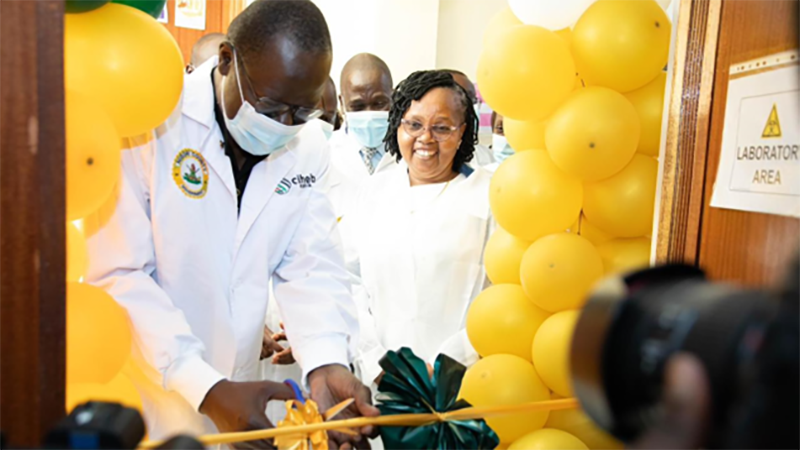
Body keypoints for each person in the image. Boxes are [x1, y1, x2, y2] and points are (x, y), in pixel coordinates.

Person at [85, 1, 378, 448]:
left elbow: (311, 265)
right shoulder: (150, 121)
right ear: (227, 60)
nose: (284, 127)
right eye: (273, 105)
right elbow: (119, 274)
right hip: (152, 397)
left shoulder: (306, 146)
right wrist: (206, 388)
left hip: (245, 398)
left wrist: (325, 361)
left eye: (302, 113)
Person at [345, 70, 491, 386]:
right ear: (398, 124)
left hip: (466, 378)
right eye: (413, 124)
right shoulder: (374, 192)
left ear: (462, 132)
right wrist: (378, 363)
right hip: (383, 380)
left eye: (441, 127)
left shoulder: (488, 196)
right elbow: (350, 282)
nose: (425, 138)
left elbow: (500, 293)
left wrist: (452, 362)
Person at [442, 69, 494, 167]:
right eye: (464, 98)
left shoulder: (487, 158)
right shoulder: (417, 152)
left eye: (473, 100)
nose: (471, 107)